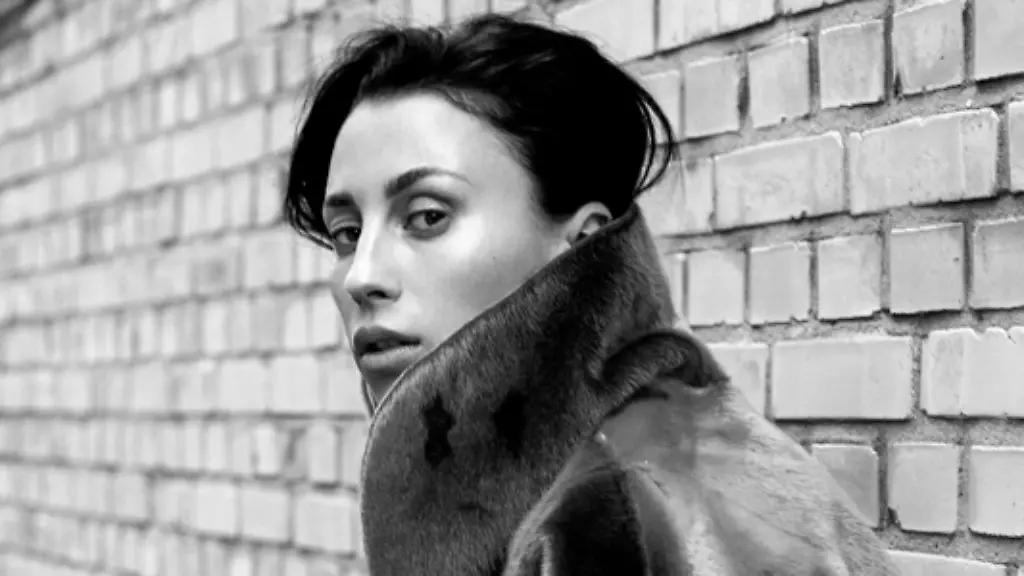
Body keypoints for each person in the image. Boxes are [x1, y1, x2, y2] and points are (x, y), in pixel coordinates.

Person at [284, 10, 901, 576]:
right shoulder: (573, 484)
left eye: (427, 217)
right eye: (347, 233)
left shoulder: (637, 508)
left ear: (581, 245)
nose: (361, 276)